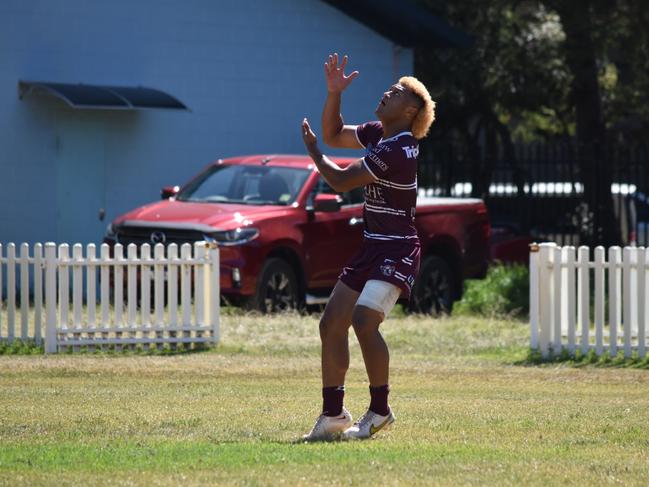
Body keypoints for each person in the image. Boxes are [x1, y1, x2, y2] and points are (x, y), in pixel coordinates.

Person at [301, 53, 435, 440]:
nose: (385, 93)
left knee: (363, 320)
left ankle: (379, 410)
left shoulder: (400, 149)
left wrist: (313, 155)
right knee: (330, 325)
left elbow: (342, 180)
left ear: (410, 110)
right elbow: (334, 133)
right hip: (372, 245)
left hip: (398, 250)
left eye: (394, 92)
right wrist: (334, 94)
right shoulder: (381, 134)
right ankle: (332, 416)